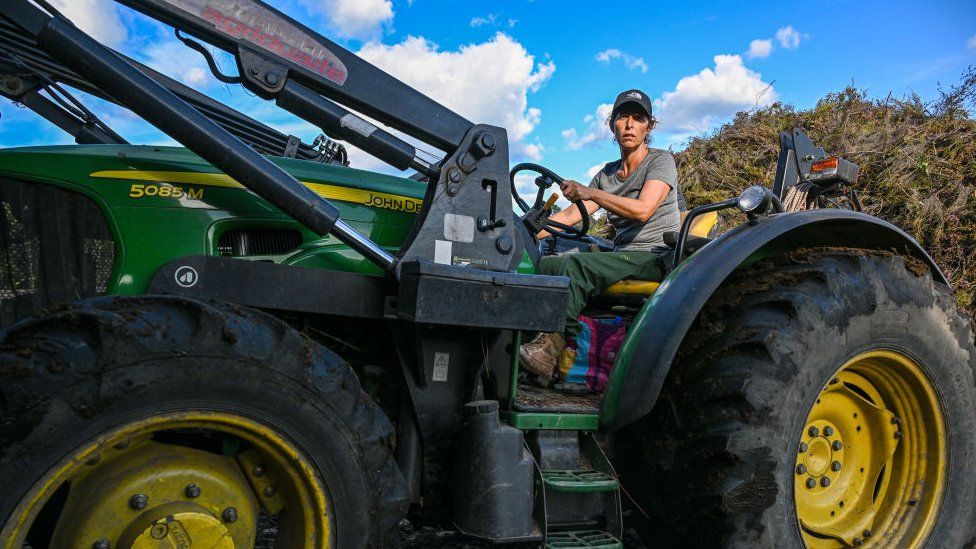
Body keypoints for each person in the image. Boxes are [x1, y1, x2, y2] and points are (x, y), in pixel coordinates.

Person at [520, 89, 682, 380]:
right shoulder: (607, 174)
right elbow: (572, 215)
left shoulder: (660, 161)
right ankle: (529, 345)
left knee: (575, 265)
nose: (630, 124)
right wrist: (525, 231)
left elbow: (643, 210)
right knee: (546, 264)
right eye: (623, 117)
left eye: (638, 118)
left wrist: (589, 191)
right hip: (621, 255)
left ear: (649, 126)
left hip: (655, 256)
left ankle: (552, 347)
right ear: (612, 125)